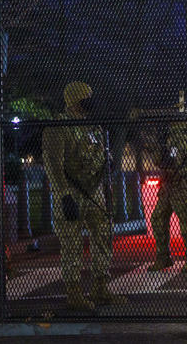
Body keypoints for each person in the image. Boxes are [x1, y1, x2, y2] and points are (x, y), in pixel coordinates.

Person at [42, 81, 127, 311]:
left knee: (104, 233)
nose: (92, 101)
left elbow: (101, 154)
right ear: (76, 99)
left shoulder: (93, 126)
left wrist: (107, 165)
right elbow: (53, 163)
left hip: (94, 190)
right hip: (71, 192)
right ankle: (74, 293)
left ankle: (101, 286)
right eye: (87, 97)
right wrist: (63, 195)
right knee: (72, 242)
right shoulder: (59, 126)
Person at [137, 95, 187, 273]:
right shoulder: (170, 131)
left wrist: (157, 150)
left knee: (186, 222)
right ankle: (164, 256)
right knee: (158, 218)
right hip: (169, 182)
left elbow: (173, 159)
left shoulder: (185, 131)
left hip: (181, 182)